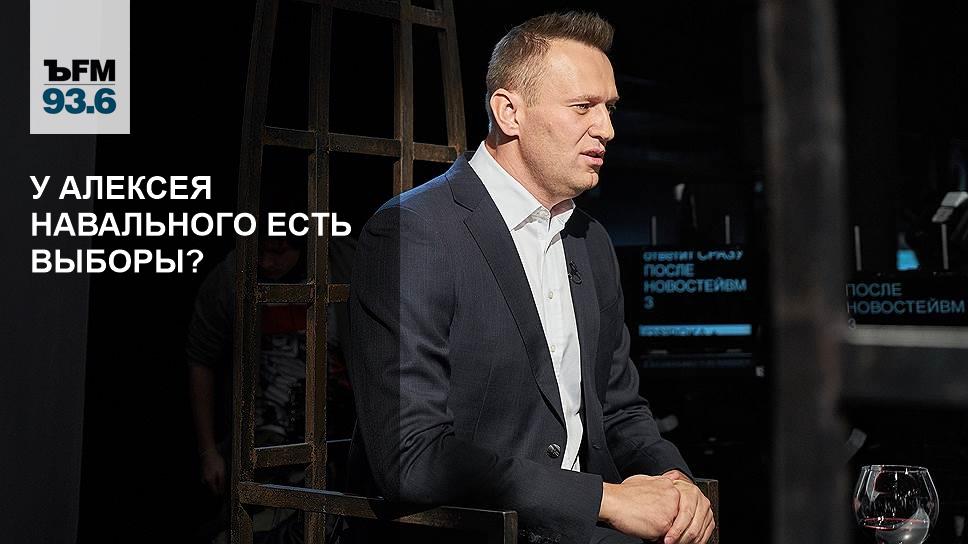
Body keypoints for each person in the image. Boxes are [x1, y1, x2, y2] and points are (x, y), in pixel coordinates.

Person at [347, 12, 714, 544]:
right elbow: (413, 456)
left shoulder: (591, 240)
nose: (607, 128)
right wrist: (607, 500)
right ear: (509, 112)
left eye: (609, 108)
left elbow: (618, 408)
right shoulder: (414, 231)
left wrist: (675, 482)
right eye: (583, 106)